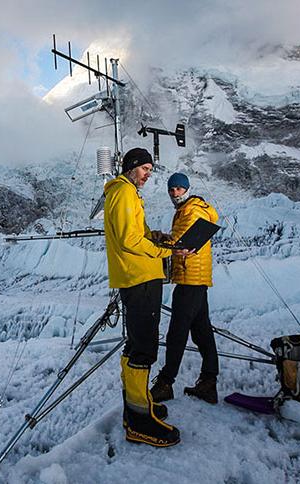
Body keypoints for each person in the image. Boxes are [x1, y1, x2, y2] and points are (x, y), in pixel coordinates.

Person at [103, 147, 187, 447]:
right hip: (139, 278)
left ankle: (136, 409)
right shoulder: (124, 193)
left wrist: (155, 236)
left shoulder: (125, 193)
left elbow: (135, 233)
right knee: (144, 349)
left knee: (136, 345)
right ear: (131, 167)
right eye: (145, 169)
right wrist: (168, 250)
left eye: (150, 170)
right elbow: (128, 240)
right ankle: (139, 423)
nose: (148, 174)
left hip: (137, 277)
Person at [150, 172, 220, 405]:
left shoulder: (192, 210)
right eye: (171, 190)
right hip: (194, 279)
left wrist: (155, 240)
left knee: (177, 333)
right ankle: (209, 383)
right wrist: (164, 237)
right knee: (201, 332)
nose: (175, 193)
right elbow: (180, 239)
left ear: (187, 189)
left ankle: (165, 383)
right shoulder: (187, 209)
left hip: (191, 279)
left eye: (179, 189)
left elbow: (182, 243)